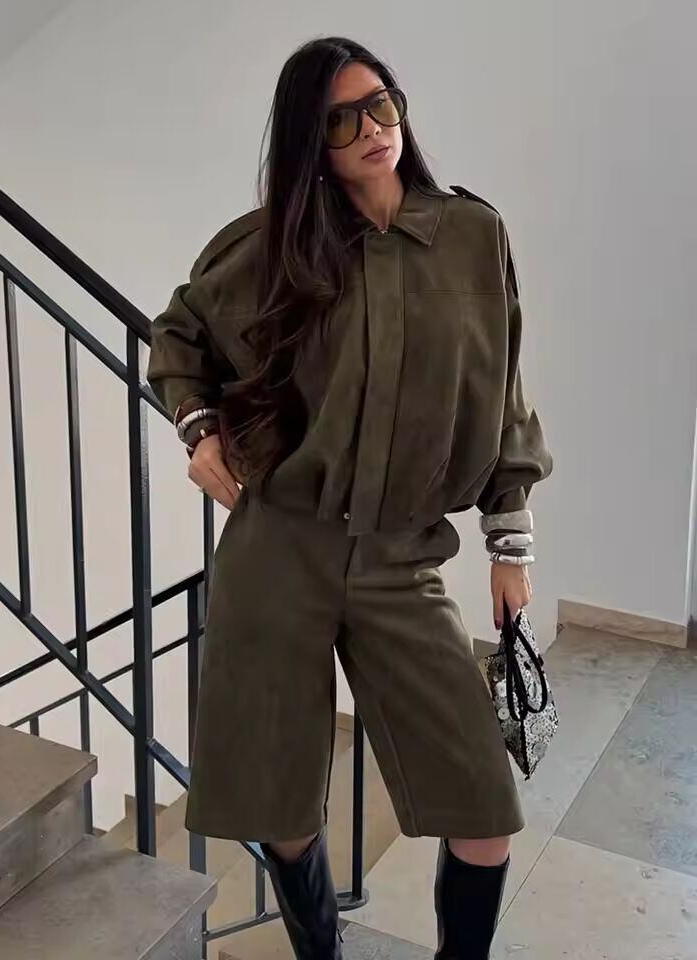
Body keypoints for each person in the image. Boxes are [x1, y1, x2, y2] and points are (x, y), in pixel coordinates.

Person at [147, 34, 552, 960]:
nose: (373, 129)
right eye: (342, 121)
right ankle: (320, 951)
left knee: (483, 809)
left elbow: (505, 392)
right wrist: (198, 429)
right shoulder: (268, 249)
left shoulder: (472, 235)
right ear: (311, 143)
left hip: (402, 554)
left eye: (382, 105)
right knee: (280, 806)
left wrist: (510, 542)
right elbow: (178, 333)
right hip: (277, 550)